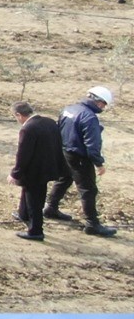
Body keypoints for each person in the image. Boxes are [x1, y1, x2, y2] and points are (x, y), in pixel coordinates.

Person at [47, 86, 117, 237]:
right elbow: (92, 145)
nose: (103, 108)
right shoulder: (89, 117)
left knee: (64, 179)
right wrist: (99, 163)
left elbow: (59, 128)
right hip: (80, 157)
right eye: (104, 104)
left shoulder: (69, 109)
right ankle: (92, 224)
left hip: (65, 151)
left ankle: (50, 208)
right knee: (88, 190)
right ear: (98, 102)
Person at [9, 100, 66, 241]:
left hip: (35, 170)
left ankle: (36, 231)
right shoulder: (49, 122)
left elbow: (23, 154)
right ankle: (23, 214)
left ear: (19, 115)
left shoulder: (28, 129)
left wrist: (15, 173)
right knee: (28, 192)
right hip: (49, 166)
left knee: (35, 199)